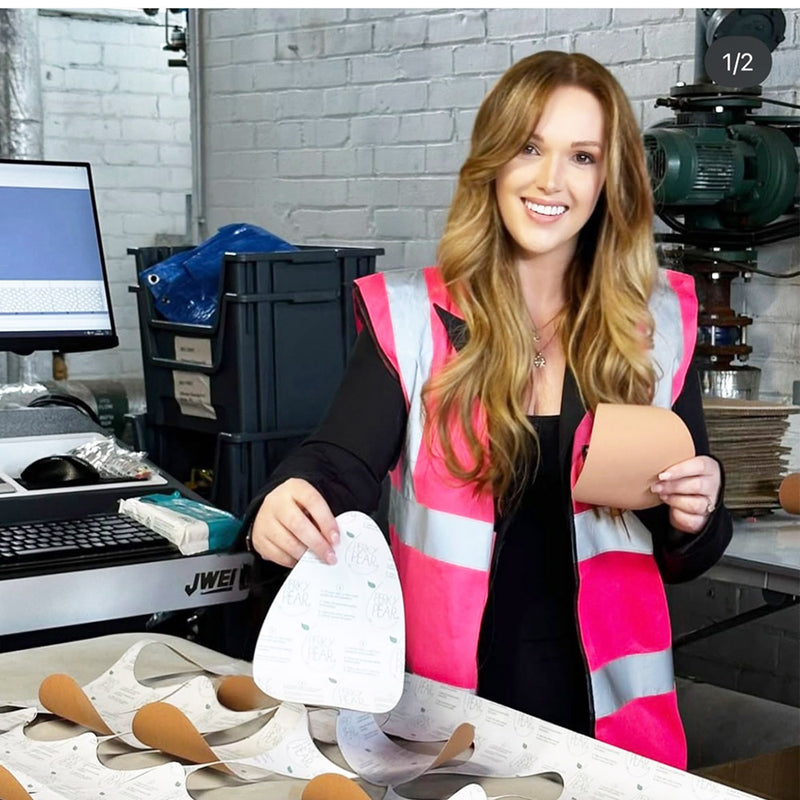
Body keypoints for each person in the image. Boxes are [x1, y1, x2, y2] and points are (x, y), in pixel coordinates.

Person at [243, 51, 732, 770]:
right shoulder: (412, 315)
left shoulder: (661, 324)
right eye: (530, 147)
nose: (550, 180)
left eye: (582, 156)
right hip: (443, 717)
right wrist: (286, 498)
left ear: (609, 179)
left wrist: (695, 511)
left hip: (609, 723)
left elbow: (687, 541)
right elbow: (337, 463)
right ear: (494, 160)